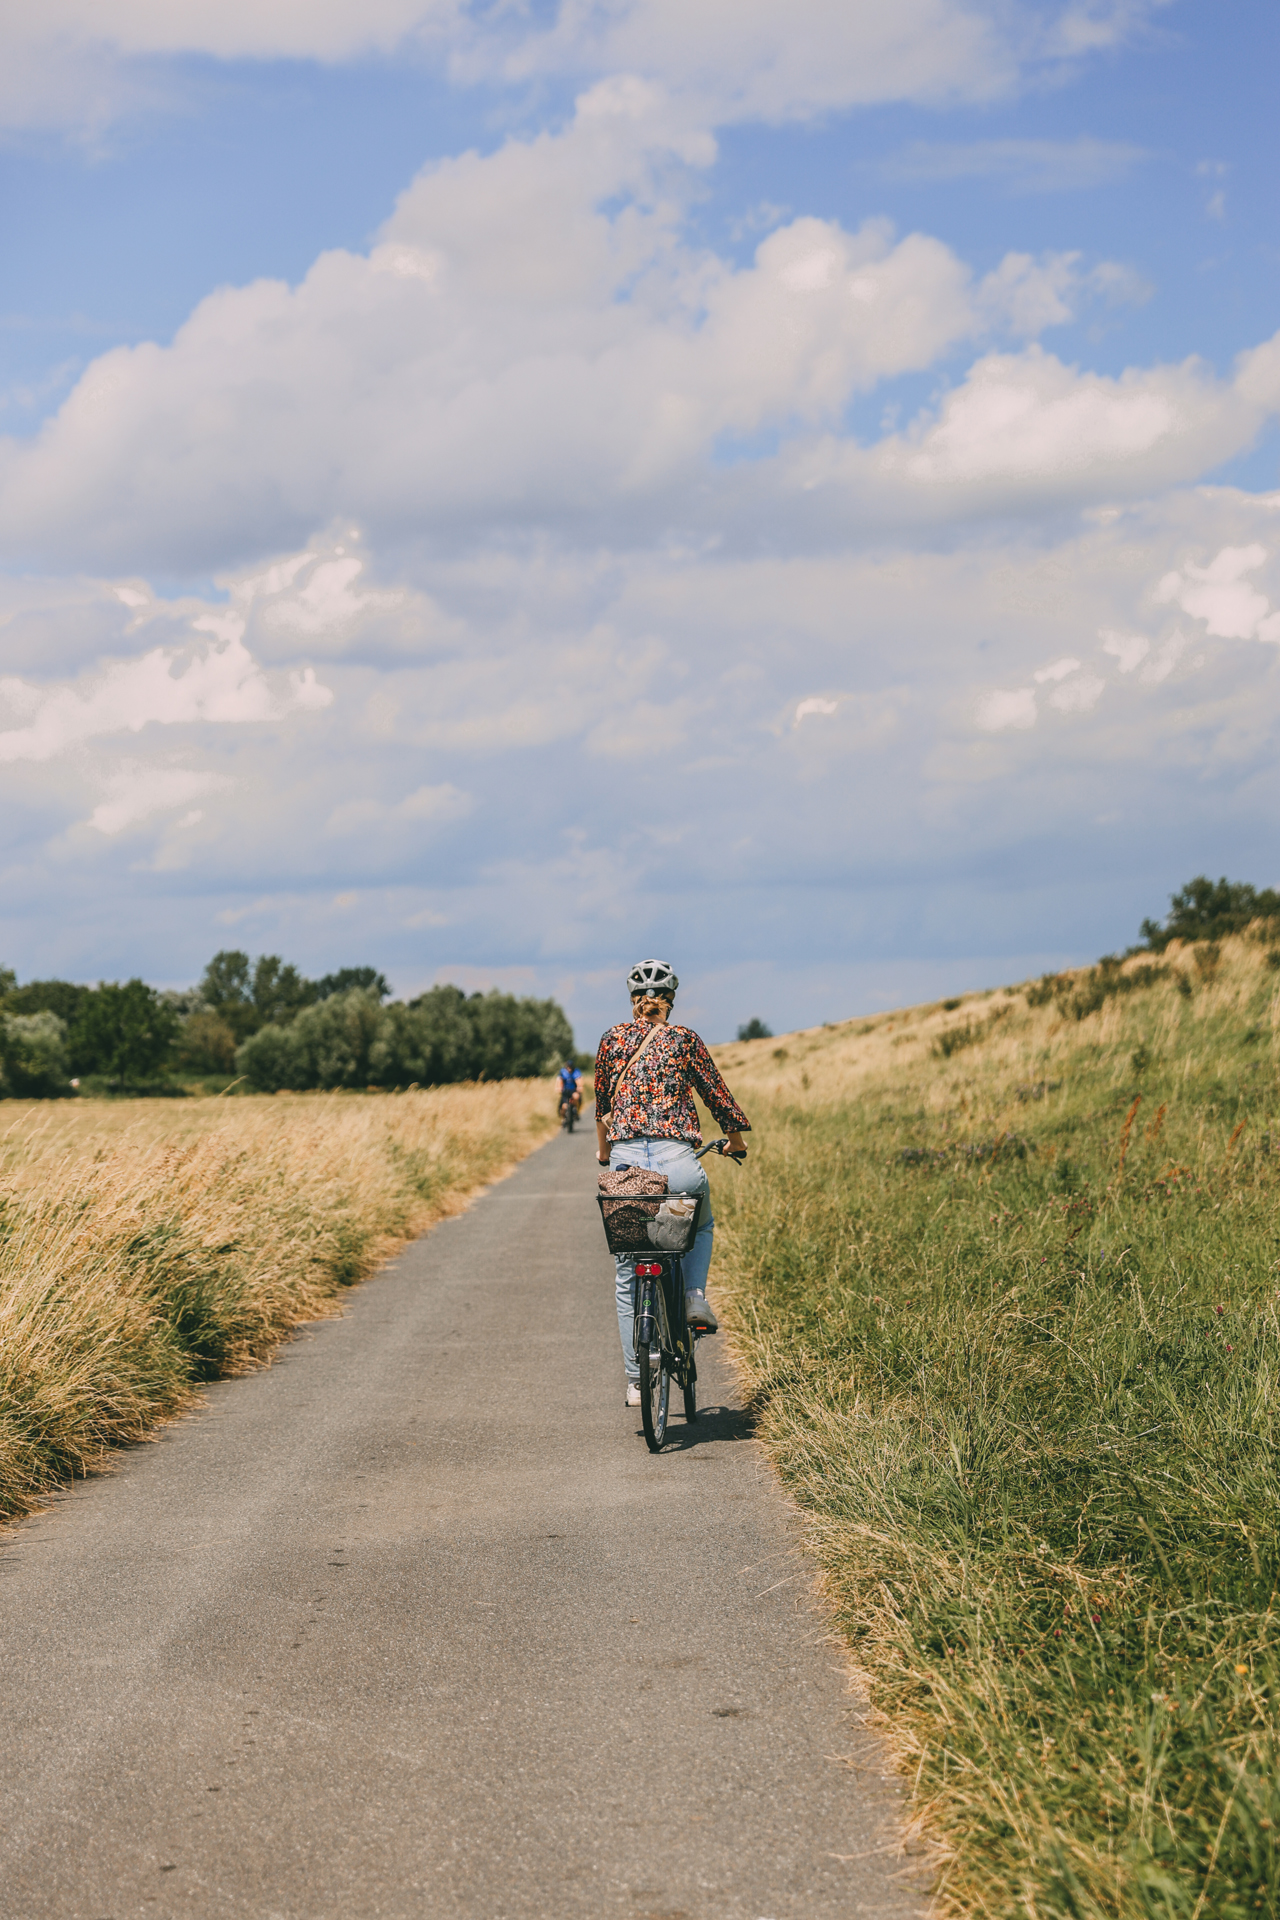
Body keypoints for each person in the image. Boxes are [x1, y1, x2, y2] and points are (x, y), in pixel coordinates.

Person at [594, 959, 750, 1408]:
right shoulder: (684, 1039)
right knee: (699, 1225)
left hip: (628, 1171)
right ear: (671, 1000)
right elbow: (717, 1096)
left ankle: (636, 1380)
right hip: (678, 1163)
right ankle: (694, 1296)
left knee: (628, 1269)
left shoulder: (612, 1039)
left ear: (632, 1002)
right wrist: (734, 1141)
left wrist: (606, 1154)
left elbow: (603, 1104)